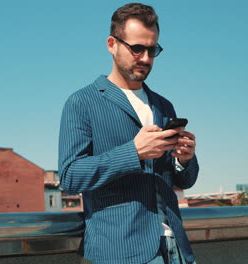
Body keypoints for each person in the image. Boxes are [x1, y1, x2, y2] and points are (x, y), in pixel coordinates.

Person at [58, 3, 198, 264]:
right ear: (112, 44)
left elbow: (185, 181)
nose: (145, 58)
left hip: (175, 248)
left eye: (152, 49)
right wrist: (133, 153)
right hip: (120, 252)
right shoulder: (82, 102)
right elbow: (69, 176)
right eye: (137, 48)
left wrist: (185, 159)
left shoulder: (163, 105)